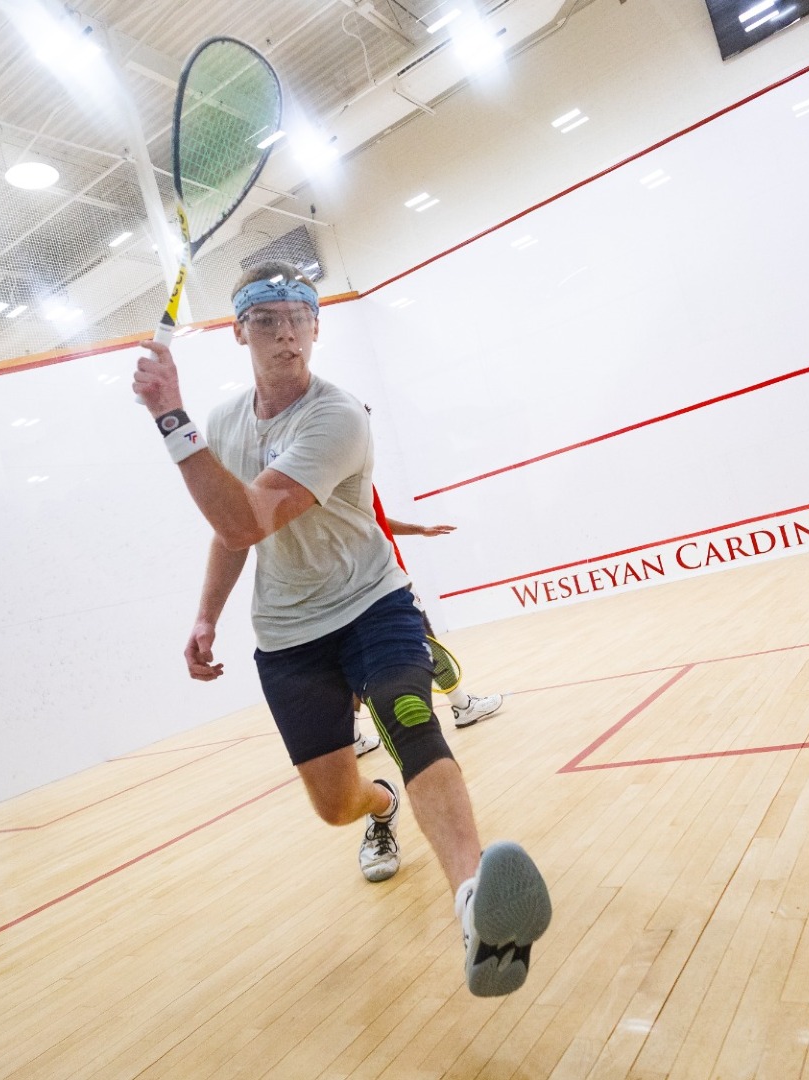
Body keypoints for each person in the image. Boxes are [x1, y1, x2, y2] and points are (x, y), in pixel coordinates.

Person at [131, 261, 552, 997]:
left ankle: (475, 906)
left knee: (411, 718)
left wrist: (170, 418)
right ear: (240, 332)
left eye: (300, 315)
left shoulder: (338, 416)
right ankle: (380, 808)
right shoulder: (228, 422)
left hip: (371, 603)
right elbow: (232, 536)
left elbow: (245, 517)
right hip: (289, 635)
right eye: (267, 319)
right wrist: (206, 614)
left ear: (318, 328)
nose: (286, 331)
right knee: (334, 804)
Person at [351, 490, 503, 757]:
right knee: (427, 639)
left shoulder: (329, 481)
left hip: (358, 587)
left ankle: (352, 737)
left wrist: (419, 529)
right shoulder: (349, 470)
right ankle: (463, 706)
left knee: (354, 660)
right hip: (387, 580)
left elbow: (373, 517)